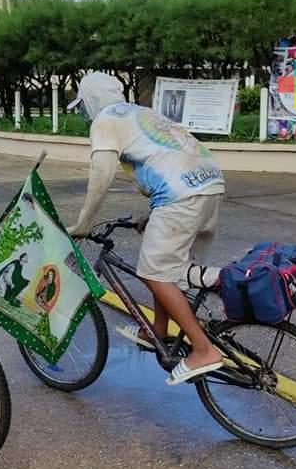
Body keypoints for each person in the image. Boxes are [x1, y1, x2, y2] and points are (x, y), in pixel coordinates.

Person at [65, 72, 225, 385]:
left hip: (181, 196)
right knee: (165, 268)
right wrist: (149, 215)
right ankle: (157, 331)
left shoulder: (106, 120)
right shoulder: (141, 113)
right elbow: (167, 158)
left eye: (83, 105)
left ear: (92, 100)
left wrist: (84, 223)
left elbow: (101, 174)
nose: (83, 113)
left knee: (153, 273)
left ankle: (204, 350)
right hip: (210, 185)